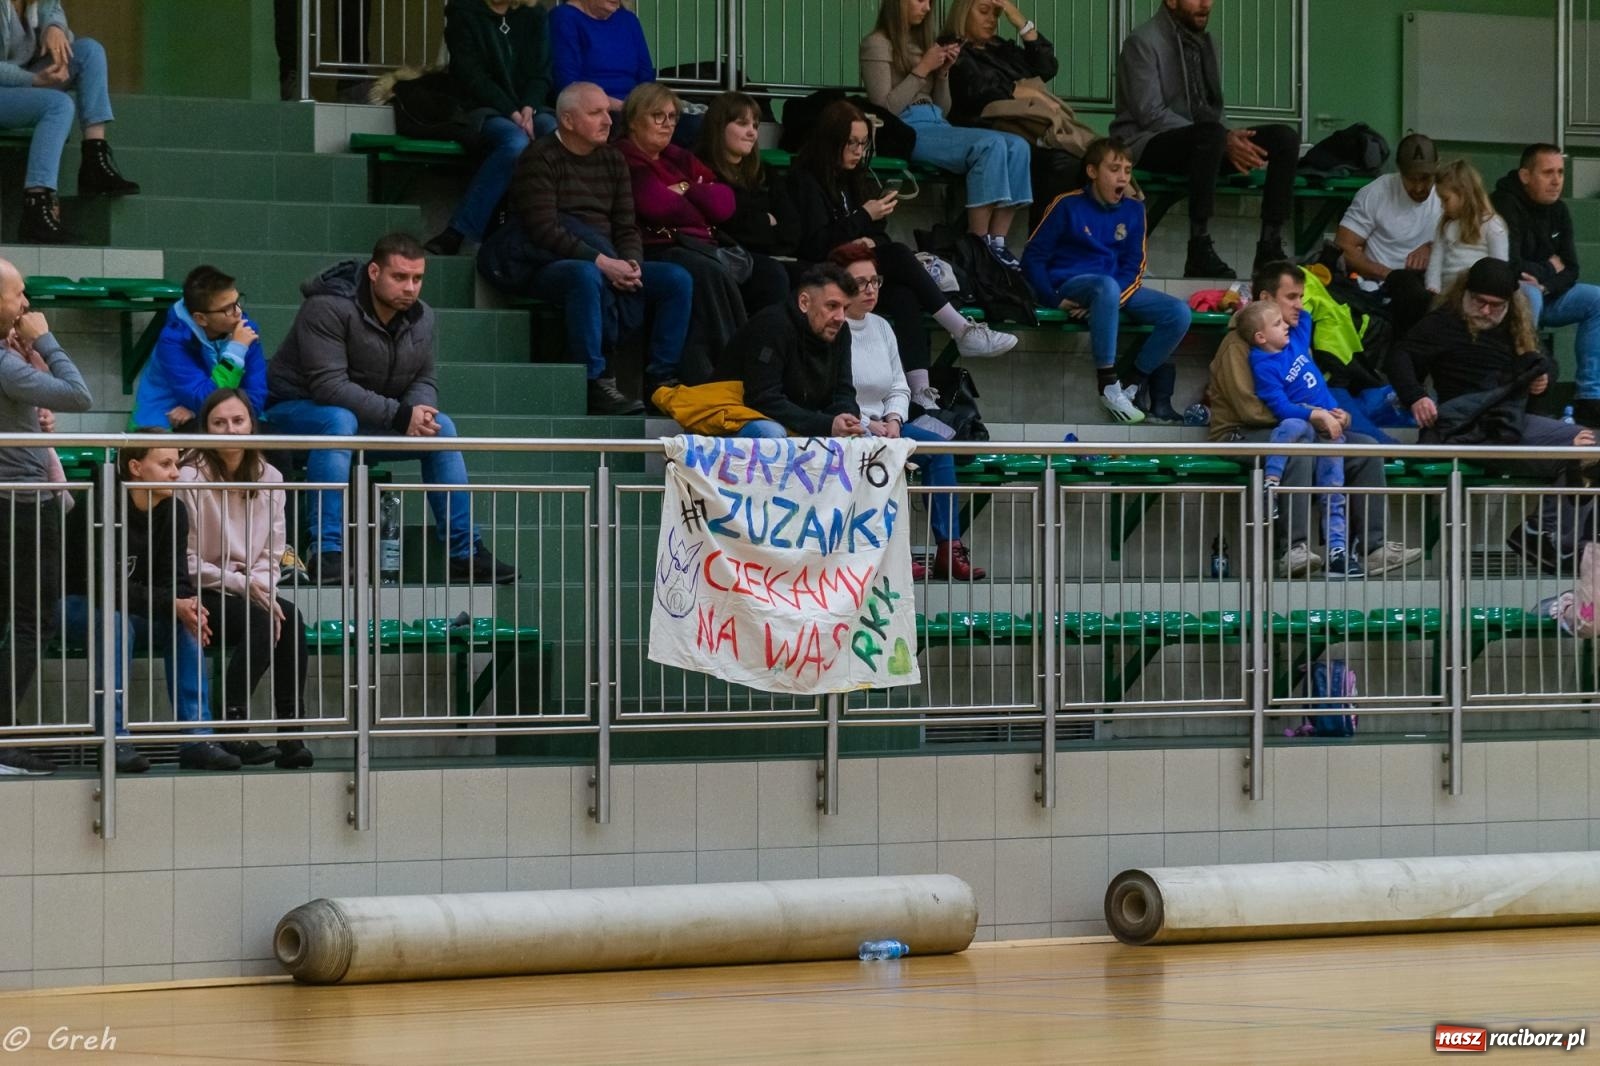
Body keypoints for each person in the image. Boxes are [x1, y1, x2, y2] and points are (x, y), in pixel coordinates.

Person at [264, 233, 516, 587]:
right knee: (338, 419)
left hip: (363, 419)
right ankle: (327, 553)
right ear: (373, 272)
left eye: (417, 278)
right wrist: (400, 415)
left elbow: (424, 377)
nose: (410, 288)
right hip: (291, 415)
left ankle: (465, 554)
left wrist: (419, 411)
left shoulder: (423, 317)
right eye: (399, 277)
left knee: (442, 427)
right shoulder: (326, 307)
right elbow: (329, 387)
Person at [787, 99, 1016, 410]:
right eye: (851, 143)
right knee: (896, 252)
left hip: (856, 269)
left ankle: (920, 391)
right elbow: (813, 244)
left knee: (904, 294)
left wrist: (868, 237)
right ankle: (961, 329)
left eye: (863, 144)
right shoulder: (804, 180)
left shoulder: (853, 179)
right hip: (823, 270)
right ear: (831, 141)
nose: (858, 151)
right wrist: (863, 217)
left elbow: (877, 233)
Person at [1207, 260, 1420, 577]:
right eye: (1291, 297)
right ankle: (1293, 549)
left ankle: (1372, 549)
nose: (1299, 304)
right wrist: (1312, 416)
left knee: (1366, 449)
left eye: (1301, 296)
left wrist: (1334, 414)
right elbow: (1248, 411)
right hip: (1240, 433)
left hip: (1299, 426)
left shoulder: (1291, 338)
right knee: (1300, 446)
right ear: (1265, 298)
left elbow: (1310, 390)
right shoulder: (1236, 345)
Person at [511, 82, 693, 414]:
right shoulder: (540, 157)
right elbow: (544, 230)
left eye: (608, 113)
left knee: (676, 279)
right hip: (550, 262)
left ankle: (660, 382)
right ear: (568, 120)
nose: (608, 121)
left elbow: (626, 226)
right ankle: (594, 381)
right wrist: (603, 262)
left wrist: (631, 263)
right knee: (585, 276)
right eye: (596, 113)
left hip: (609, 256)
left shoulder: (612, 159)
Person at [1388, 257, 1592, 554]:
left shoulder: (1515, 327)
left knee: (1588, 451)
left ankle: (1551, 532)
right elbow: (1399, 357)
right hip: (1473, 428)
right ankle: (1544, 532)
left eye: (1495, 305)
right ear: (1464, 293)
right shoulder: (1443, 323)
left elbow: (1545, 361)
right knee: (1589, 450)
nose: (1485, 311)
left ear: (1509, 304)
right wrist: (1416, 396)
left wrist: (1544, 379)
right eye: (1479, 302)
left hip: (1506, 424)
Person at [60, 440, 242, 772]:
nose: (176, 474)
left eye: (177, 464)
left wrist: (189, 607)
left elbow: (176, 579)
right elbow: (102, 584)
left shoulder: (173, 510)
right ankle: (113, 739)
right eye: (165, 465)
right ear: (135, 467)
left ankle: (198, 739)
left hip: (133, 608)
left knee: (185, 623)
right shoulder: (101, 504)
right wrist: (170, 602)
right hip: (75, 604)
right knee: (116, 621)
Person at [1110, 0, 1300, 278]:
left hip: (1207, 142)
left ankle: (1269, 249)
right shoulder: (1142, 42)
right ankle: (1198, 248)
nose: (1205, 4)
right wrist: (1223, 138)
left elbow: (1213, 111)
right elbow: (1150, 113)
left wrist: (1233, 138)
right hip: (1148, 142)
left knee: (1285, 138)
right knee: (1210, 135)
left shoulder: (1207, 43)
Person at [180, 389, 315, 771]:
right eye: (219, 423)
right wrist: (244, 587)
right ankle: (233, 726)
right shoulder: (189, 475)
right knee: (262, 619)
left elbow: (273, 551)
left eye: (238, 421)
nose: (231, 430)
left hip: (250, 585)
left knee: (290, 617)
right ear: (206, 429)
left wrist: (261, 589)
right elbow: (186, 561)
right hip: (202, 587)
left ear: (252, 425)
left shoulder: (270, 476)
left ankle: (291, 735)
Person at [835, 243, 985, 581]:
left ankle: (949, 548)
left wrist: (893, 419)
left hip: (887, 424)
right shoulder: (834, 328)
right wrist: (868, 424)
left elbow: (899, 386)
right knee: (878, 456)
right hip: (851, 428)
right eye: (861, 283)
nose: (871, 289)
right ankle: (890, 551)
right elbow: (831, 391)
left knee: (938, 449)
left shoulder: (881, 327)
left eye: (875, 281)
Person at [618, 83, 785, 381]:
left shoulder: (678, 157)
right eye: (658, 116)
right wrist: (698, 197)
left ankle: (769, 368)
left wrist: (684, 189)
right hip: (658, 245)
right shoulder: (625, 157)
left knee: (770, 274)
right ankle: (727, 371)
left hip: (702, 245)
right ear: (633, 120)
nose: (668, 124)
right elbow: (658, 206)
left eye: (672, 117)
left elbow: (724, 204)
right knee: (708, 273)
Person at [1021, 137, 1192, 424]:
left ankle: (1132, 384)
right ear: (1092, 171)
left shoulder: (1134, 210)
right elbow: (1032, 258)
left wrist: (1109, 303)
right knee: (1105, 286)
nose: (1123, 177)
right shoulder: (1066, 204)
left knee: (1178, 313)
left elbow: (1134, 267)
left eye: (1127, 170)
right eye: (1114, 169)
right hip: (1073, 283)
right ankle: (1107, 383)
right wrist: (1053, 298)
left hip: (1115, 289)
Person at [0, 257, 90, 775]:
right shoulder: (6, 362)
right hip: (22, 506)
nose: (26, 304)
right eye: (18, 295)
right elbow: (79, 394)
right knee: (34, 620)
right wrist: (46, 341)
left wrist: (34, 414)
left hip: (15, 500)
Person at [860, 0, 1033, 268]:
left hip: (936, 121)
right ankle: (977, 244)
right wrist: (923, 69)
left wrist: (942, 74)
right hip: (905, 127)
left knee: (1018, 146)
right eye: (920, 0)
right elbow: (884, 107)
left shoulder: (922, 44)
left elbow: (943, 108)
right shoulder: (877, 44)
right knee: (989, 145)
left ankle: (997, 242)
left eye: (930, 2)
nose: (927, 8)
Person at [423, 0, 557, 257]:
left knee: (554, 134)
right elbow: (471, 75)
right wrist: (512, 111)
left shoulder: (534, 15)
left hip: (530, 107)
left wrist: (529, 107)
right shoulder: (463, 13)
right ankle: (458, 232)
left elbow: (541, 72)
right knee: (515, 143)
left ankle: (547, 231)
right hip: (482, 106)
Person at [0, 0, 138, 243]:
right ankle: (37, 207)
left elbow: (53, 11)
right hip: (10, 85)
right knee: (58, 106)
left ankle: (94, 161)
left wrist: (55, 28)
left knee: (90, 51)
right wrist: (32, 80)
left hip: (23, 80)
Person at [1239, 300, 1359, 579]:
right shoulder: (1262, 363)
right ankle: (1271, 483)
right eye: (1277, 323)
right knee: (1290, 425)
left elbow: (1304, 318)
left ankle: (1337, 550)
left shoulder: (1295, 341)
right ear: (1261, 337)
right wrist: (1314, 414)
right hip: (1306, 421)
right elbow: (1280, 407)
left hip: (1331, 429)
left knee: (1334, 488)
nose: (1285, 325)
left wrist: (1287, 308)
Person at [945, 0, 1091, 229]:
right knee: (1060, 162)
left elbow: (1046, 67)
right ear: (963, 13)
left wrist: (1021, 23)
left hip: (1023, 128)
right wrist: (1020, 90)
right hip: (985, 128)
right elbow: (976, 90)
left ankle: (1064, 239)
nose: (991, 19)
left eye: (996, 14)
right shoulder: (953, 49)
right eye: (983, 11)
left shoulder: (1000, 48)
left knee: (1083, 159)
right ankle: (1040, 240)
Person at [1492, 143, 1600, 426]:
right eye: (1548, 173)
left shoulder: (1559, 210)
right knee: (1530, 294)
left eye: (1561, 173)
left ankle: (1590, 398)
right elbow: (1511, 264)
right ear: (1525, 176)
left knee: (1597, 299)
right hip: (1510, 296)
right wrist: (1550, 268)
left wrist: (1547, 285)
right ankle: (1527, 387)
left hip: (1548, 292)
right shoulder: (1504, 203)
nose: (1556, 181)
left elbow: (1572, 269)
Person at [723, 264, 863, 440]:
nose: (840, 317)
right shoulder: (772, 325)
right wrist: (826, 425)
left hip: (798, 417)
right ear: (804, 302)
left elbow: (844, 390)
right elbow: (762, 398)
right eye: (832, 306)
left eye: (845, 308)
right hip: (739, 413)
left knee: (861, 435)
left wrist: (847, 418)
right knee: (771, 432)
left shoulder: (841, 331)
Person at [694, 90, 798, 312]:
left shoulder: (766, 173)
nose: (752, 132)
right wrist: (766, 221)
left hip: (769, 257)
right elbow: (727, 228)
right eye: (742, 124)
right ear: (719, 126)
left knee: (820, 277)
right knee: (772, 277)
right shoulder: (701, 170)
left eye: (755, 125)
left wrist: (756, 224)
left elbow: (792, 230)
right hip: (727, 259)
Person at [131, 265, 266, 432]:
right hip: (165, 423)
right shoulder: (173, 341)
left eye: (238, 301)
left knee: (274, 439)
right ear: (201, 319)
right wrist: (236, 351)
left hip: (219, 417)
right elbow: (202, 398)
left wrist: (197, 412)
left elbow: (256, 397)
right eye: (227, 308)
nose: (238, 312)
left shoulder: (246, 331)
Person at [1334, 133, 1441, 339]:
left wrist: (1432, 247)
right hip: (1383, 284)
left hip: (1431, 282)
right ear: (1399, 170)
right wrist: (1388, 274)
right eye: (1411, 179)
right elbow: (1344, 246)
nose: (1419, 187)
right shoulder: (1376, 193)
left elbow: (1469, 241)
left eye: (1426, 178)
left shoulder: (1448, 194)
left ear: (1437, 167)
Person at [548, 0, 653, 114]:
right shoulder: (564, 17)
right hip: (591, 110)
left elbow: (646, 77)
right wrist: (622, 107)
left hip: (633, 109)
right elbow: (568, 86)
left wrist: (642, 105)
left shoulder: (629, 20)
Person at [1426, 160, 1507, 295]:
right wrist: (1432, 287)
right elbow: (1436, 260)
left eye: (1445, 199)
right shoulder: (1445, 225)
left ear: (1463, 194)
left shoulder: (1491, 224)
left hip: (1478, 292)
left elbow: (1499, 264)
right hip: (1447, 293)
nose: (1442, 206)